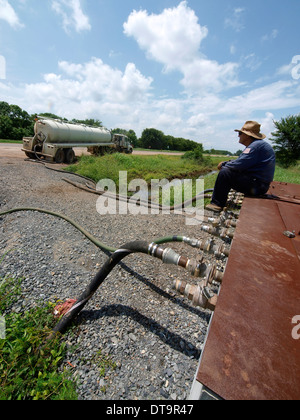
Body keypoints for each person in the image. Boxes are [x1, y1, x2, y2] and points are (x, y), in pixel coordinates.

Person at [206, 121, 276, 212]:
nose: (238, 136)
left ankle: (217, 204)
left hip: (257, 186)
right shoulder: (257, 145)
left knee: (225, 172)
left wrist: (223, 164)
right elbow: (241, 161)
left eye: (240, 133)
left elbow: (239, 165)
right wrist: (228, 162)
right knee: (228, 170)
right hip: (260, 185)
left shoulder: (255, 146)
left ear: (247, 135)